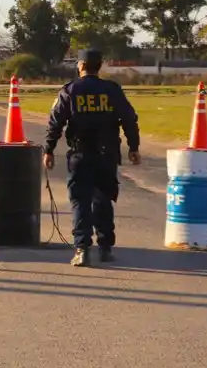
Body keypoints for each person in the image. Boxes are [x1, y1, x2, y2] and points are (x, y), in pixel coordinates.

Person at [43, 49, 141, 267]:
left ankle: (82, 249)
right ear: (100, 66)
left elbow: (55, 122)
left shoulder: (70, 90)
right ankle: (105, 248)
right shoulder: (112, 90)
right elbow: (129, 119)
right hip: (107, 155)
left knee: (80, 201)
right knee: (104, 200)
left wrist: (48, 150)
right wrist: (133, 147)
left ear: (80, 66)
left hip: (80, 154)